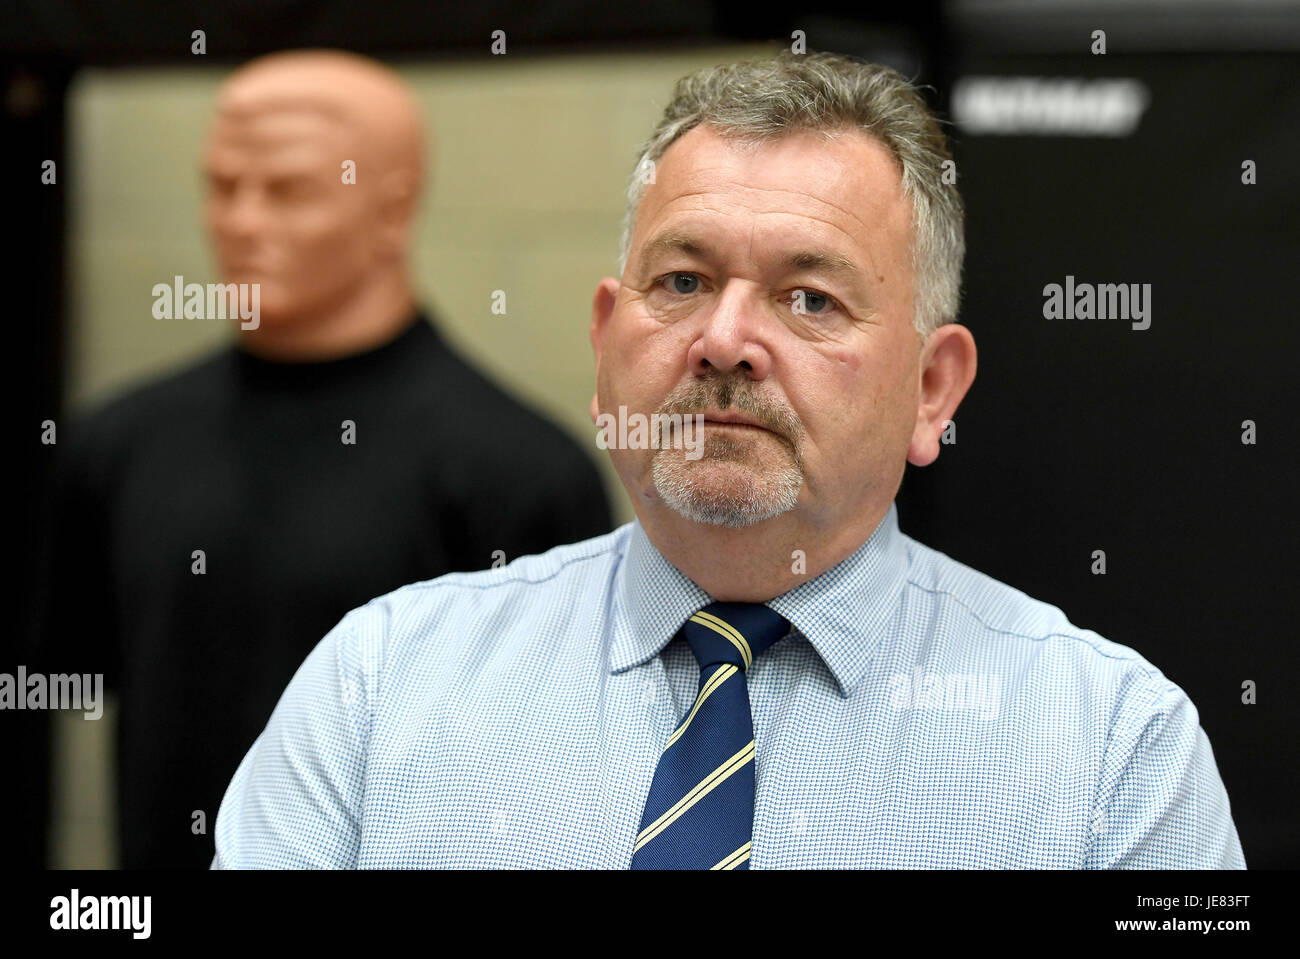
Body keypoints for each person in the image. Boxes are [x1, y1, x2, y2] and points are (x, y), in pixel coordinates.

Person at [211, 52, 1244, 869]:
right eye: (682, 280)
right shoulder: (378, 687)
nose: (724, 339)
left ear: (933, 390)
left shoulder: (1111, 750)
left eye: (809, 298)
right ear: (607, 339)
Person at [32, 50, 611, 869]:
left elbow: (561, 775)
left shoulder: (515, 472)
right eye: (221, 185)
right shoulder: (119, 442)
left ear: (392, 207)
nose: (240, 221)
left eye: (288, 190)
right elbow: (77, 684)